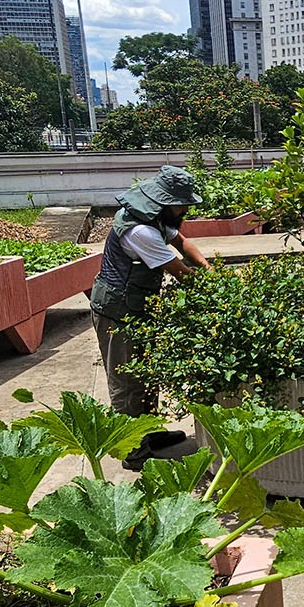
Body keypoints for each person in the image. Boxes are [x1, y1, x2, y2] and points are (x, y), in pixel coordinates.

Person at [90, 165, 211, 470]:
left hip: (138, 308)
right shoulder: (139, 230)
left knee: (146, 374)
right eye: (182, 204)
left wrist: (209, 268)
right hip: (117, 313)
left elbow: (183, 243)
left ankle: (150, 433)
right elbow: (179, 270)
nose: (185, 209)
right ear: (165, 201)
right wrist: (214, 289)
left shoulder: (158, 217)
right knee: (125, 379)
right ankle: (130, 448)